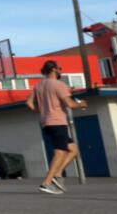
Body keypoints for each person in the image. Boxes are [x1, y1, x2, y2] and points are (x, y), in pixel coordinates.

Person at [27, 60, 88, 195]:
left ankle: (58, 175)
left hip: (46, 122)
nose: (61, 70)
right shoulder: (59, 84)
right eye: (60, 68)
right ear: (54, 69)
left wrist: (43, 112)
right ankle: (47, 183)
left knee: (73, 150)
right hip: (57, 122)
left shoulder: (38, 86)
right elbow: (70, 104)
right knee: (60, 152)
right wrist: (82, 104)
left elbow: (29, 103)